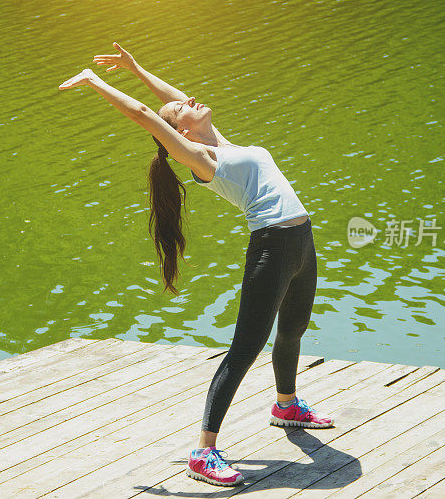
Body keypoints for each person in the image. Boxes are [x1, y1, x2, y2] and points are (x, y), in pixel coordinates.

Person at [59, 43, 334, 487]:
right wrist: (96, 83)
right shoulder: (204, 160)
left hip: (302, 242)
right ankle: (203, 452)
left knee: (293, 328)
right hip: (272, 248)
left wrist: (136, 67)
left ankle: (285, 406)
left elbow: (172, 102)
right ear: (180, 135)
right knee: (245, 348)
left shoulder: (221, 143)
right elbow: (146, 115)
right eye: (181, 108)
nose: (189, 99)